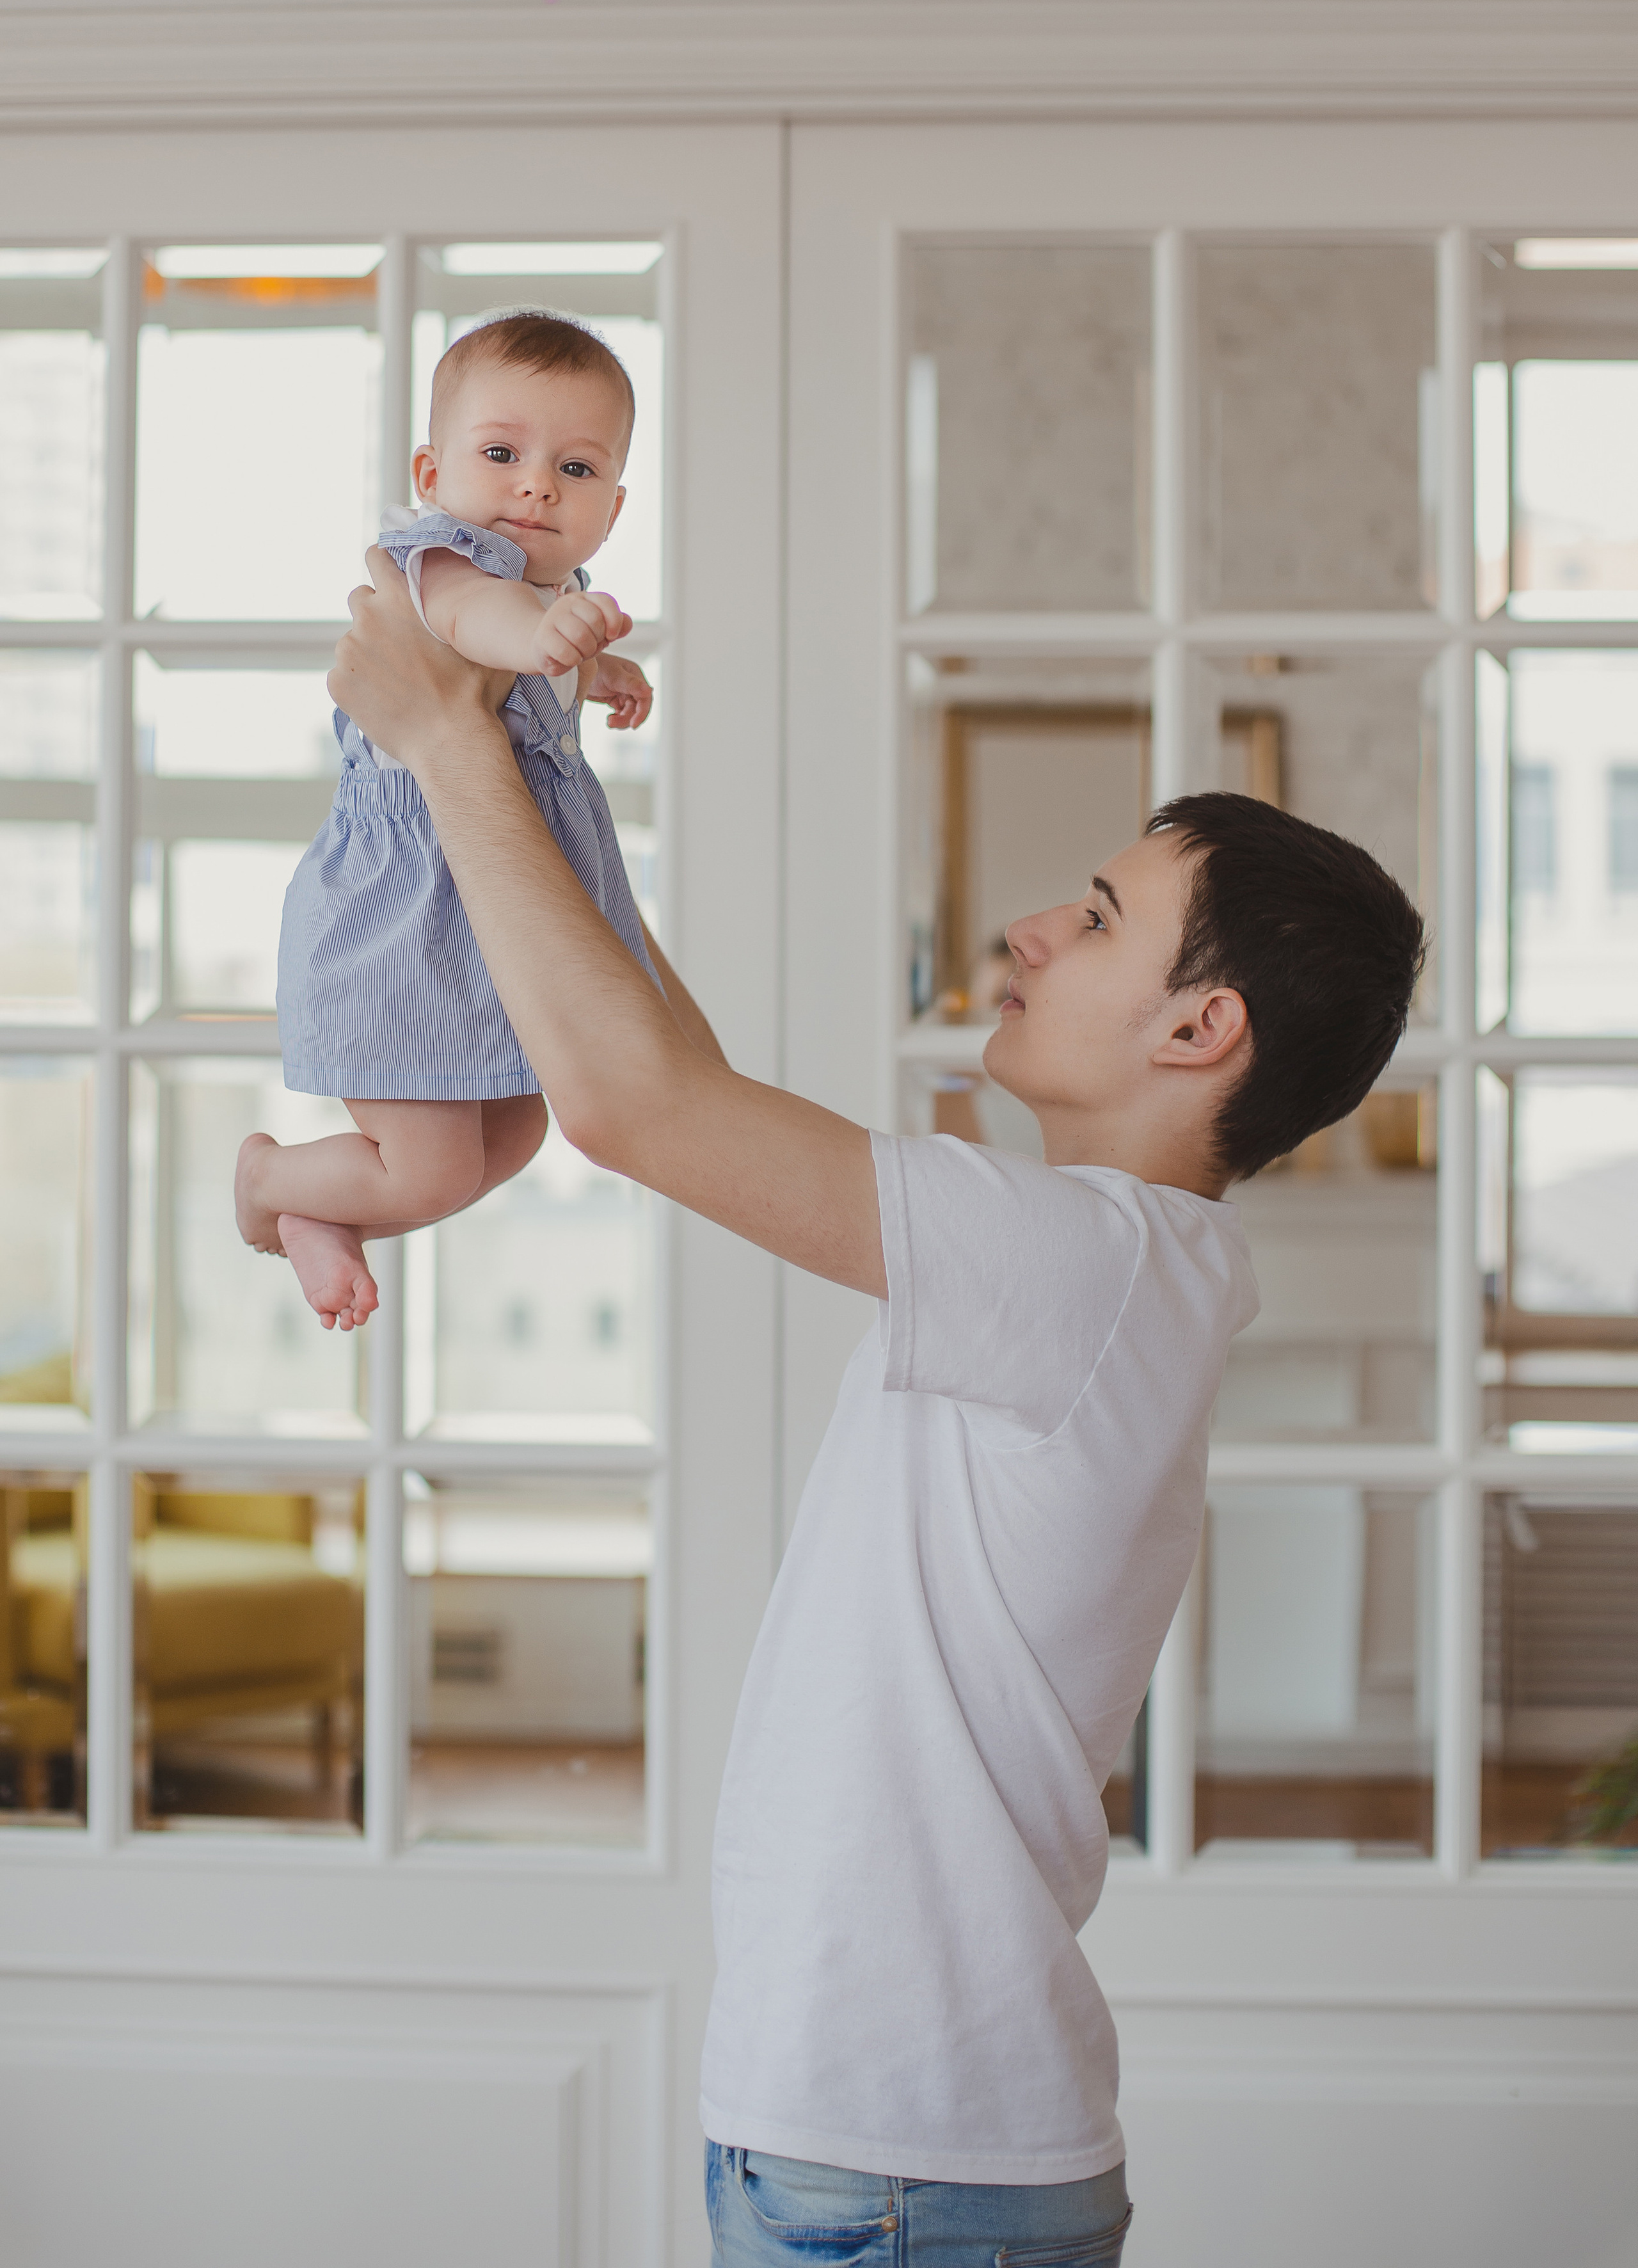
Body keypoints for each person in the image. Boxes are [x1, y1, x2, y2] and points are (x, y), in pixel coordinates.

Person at [326, 552, 1426, 2267]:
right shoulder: (1111, 1265)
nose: (1028, 932)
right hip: (890, 2154)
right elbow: (676, 1073)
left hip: (906, 2172)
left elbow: (635, 1110)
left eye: (1100, 917)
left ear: (1202, 1027)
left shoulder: (1084, 1263)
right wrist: (534, 765)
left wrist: (443, 754)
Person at [234, 312, 655, 1332]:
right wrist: (552, 635)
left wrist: (596, 668)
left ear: (615, 504)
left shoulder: (558, 591)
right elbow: (481, 624)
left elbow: (532, 644)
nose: (537, 485)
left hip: (497, 924)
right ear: (432, 469)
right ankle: (272, 1185)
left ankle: (322, 1216)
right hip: (405, 924)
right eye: (502, 453)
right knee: (427, 1173)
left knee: (512, 1140)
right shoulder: (440, 564)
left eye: (578, 467)